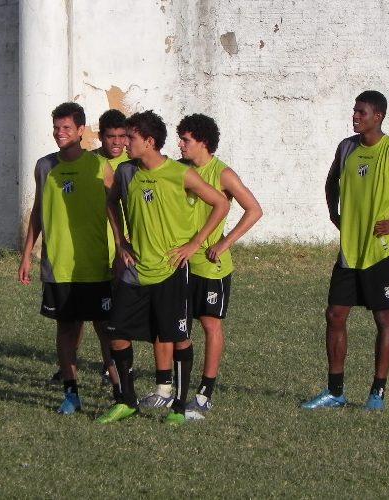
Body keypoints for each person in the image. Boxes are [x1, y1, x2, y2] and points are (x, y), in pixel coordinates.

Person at [301, 90, 389, 411]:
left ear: (377, 117)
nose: (355, 116)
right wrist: (333, 213)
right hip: (349, 251)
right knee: (335, 315)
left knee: (383, 320)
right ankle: (335, 391)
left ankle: (377, 394)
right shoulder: (346, 147)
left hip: (381, 252)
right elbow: (331, 183)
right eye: (354, 111)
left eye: (361, 112)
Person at [97, 110, 230, 425]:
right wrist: (120, 242)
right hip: (135, 270)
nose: (125, 143)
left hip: (170, 270)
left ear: (149, 141)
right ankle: (127, 401)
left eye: (131, 137)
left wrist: (195, 244)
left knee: (179, 337)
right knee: (116, 331)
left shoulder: (180, 174)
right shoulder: (127, 172)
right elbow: (110, 202)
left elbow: (221, 204)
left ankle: (178, 408)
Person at [140, 114, 262, 419]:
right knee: (169, 324)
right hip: (178, 262)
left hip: (210, 266)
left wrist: (224, 243)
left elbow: (254, 209)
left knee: (209, 325)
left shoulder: (223, 174)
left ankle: (205, 394)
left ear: (203, 143)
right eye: (180, 138)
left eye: (186, 140)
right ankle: (164, 389)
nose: (180, 145)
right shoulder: (178, 170)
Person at [18, 102, 118, 415]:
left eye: (66, 128)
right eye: (56, 128)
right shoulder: (44, 166)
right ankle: (71, 394)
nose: (60, 134)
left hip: (96, 265)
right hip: (58, 266)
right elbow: (37, 211)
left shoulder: (100, 167)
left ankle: (120, 392)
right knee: (66, 330)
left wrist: (123, 249)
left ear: (81, 131)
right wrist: (27, 255)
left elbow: (115, 211)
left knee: (107, 330)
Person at [49, 109, 127, 394]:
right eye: (110, 136)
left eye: (122, 136)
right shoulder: (92, 161)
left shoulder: (133, 165)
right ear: (99, 135)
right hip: (84, 253)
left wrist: (124, 243)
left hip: (116, 254)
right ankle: (70, 365)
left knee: (108, 320)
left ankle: (117, 373)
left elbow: (124, 207)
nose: (117, 142)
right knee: (74, 319)